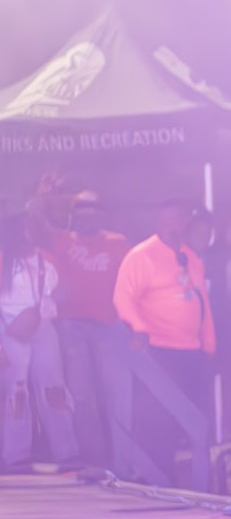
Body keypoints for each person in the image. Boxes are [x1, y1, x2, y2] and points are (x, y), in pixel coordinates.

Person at [25, 175, 130, 471]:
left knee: (116, 394)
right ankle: (94, 460)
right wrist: (41, 194)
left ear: (102, 213)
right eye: (81, 209)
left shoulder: (118, 243)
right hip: (72, 327)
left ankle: (124, 459)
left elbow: (133, 283)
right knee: (82, 396)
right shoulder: (62, 240)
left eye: (93, 208)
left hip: (110, 326)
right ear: (74, 214)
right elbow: (33, 219)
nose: (88, 214)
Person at [112, 199, 216, 486]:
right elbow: (123, 297)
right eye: (175, 217)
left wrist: (209, 345)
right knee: (158, 419)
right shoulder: (142, 255)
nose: (181, 223)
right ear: (162, 220)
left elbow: (202, 301)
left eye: (184, 217)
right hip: (157, 351)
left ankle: (191, 484)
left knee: (190, 418)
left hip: (191, 352)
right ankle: (159, 480)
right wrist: (139, 327)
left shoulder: (190, 258)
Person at [0, 216, 77, 468]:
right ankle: (15, 456)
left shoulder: (47, 258)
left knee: (54, 389)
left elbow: (64, 291)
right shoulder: (3, 259)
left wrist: (41, 310)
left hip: (42, 326)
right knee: (15, 392)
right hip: (7, 328)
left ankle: (67, 452)